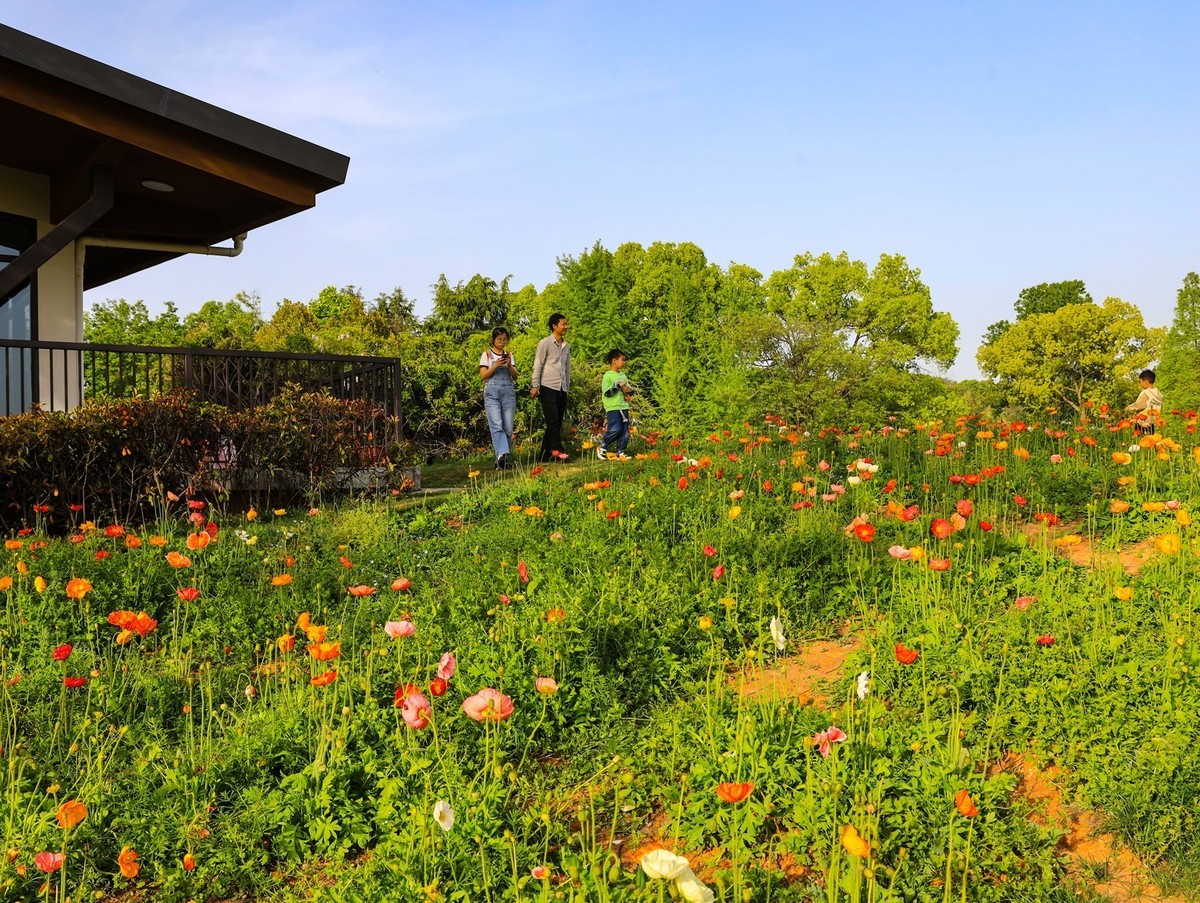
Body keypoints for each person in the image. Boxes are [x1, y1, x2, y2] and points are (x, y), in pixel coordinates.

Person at [530, 313, 571, 462]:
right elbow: (538, 364)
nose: (566, 327)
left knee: (557, 422)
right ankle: (558, 451)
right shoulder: (545, 343)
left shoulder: (567, 346)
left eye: (566, 324)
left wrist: (567, 387)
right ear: (554, 326)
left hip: (561, 388)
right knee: (552, 420)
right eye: (563, 324)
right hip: (548, 386)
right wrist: (535, 385)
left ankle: (545, 454)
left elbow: (567, 368)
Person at [479, 327, 518, 468]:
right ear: (493, 340)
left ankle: (502, 460)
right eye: (499, 339)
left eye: (504, 339)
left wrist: (509, 366)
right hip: (492, 392)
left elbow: (515, 376)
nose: (502, 342)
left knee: (508, 427)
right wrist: (496, 365)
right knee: (496, 424)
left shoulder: (509, 355)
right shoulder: (487, 354)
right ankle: (502, 454)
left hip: (508, 392)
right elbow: (483, 375)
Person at [597, 349, 633, 461]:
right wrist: (618, 386)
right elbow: (607, 393)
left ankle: (621, 452)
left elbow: (629, 389)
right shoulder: (607, 376)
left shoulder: (623, 375)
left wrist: (629, 390)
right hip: (613, 408)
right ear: (614, 361)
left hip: (624, 406)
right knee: (616, 429)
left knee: (624, 431)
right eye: (622, 360)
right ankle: (602, 445)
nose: (624, 362)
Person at [1125, 369, 1163, 436]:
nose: (1140, 384)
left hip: (1142, 423)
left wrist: (1127, 408)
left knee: (1141, 440)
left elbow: (1139, 405)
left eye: (1140, 382)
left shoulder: (1145, 393)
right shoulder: (1158, 394)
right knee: (1150, 439)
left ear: (1146, 382)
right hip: (1152, 423)